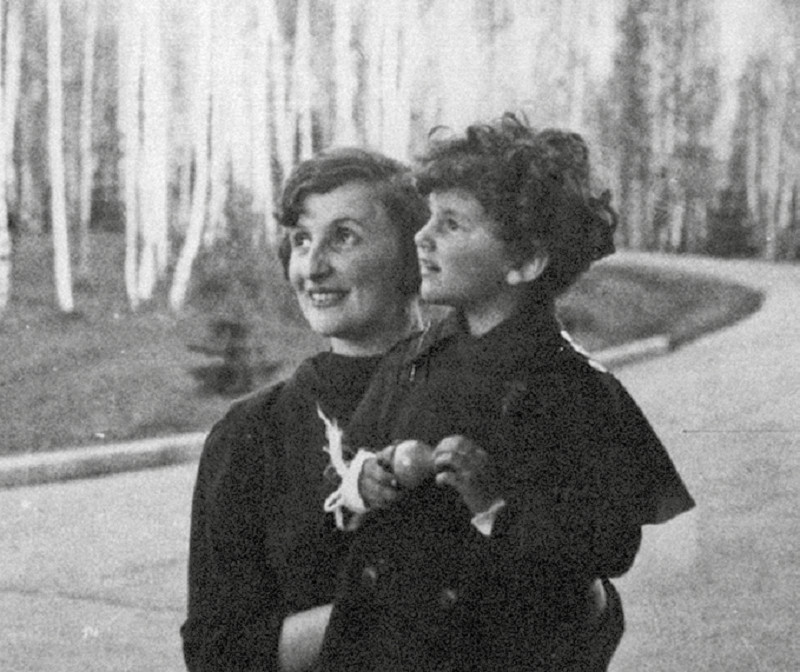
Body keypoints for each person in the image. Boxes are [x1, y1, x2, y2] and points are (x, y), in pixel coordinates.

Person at [316, 115, 695, 672]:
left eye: (451, 223)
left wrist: (494, 507)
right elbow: (341, 469)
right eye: (429, 216)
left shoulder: (576, 392)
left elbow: (611, 545)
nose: (422, 236)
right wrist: (363, 480)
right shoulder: (411, 361)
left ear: (524, 262)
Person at [180, 147, 428, 672]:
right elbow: (217, 654)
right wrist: (379, 613)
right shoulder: (250, 434)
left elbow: (582, 616)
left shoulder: (485, 397)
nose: (313, 268)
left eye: (344, 237)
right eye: (301, 240)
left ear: (415, 255)